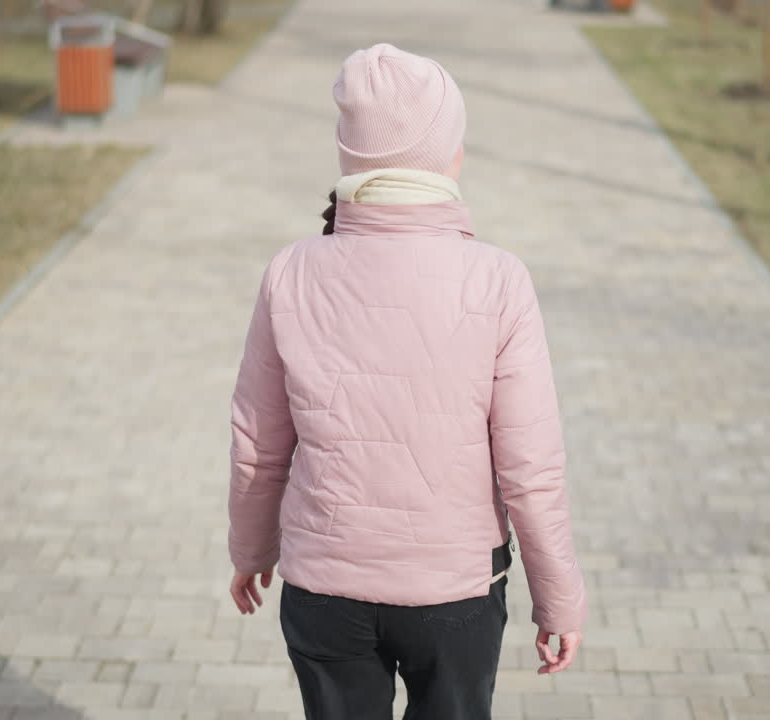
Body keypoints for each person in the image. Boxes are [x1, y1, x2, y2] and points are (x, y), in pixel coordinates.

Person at [226, 43, 587, 720]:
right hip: (454, 594)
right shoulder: (498, 278)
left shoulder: (291, 270)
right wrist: (559, 598)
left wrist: (251, 548)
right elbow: (530, 468)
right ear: (447, 157)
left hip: (323, 591)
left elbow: (257, 442)